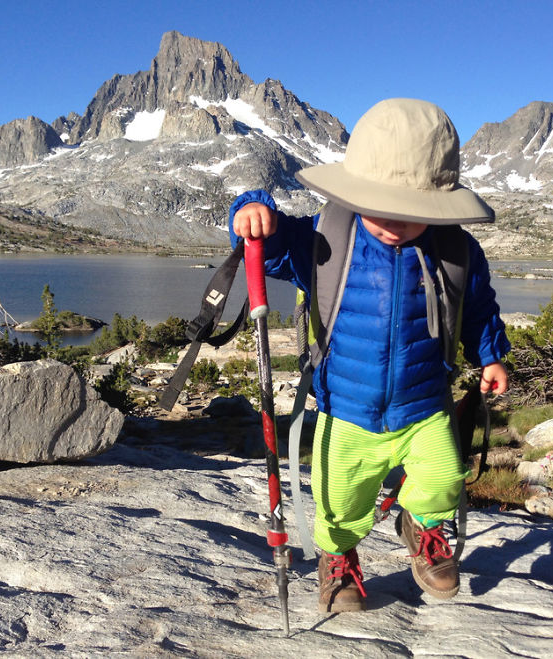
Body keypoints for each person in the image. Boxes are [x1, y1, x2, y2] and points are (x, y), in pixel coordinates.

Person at [229, 98, 510, 613]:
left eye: (412, 212)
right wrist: (251, 209)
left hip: (425, 404)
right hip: (346, 408)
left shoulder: (457, 252)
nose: (395, 222)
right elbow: (272, 247)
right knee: (339, 500)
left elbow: (477, 309)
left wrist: (490, 355)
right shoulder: (325, 238)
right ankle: (337, 559)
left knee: (443, 478)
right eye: (380, 205)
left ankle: (423, 527)